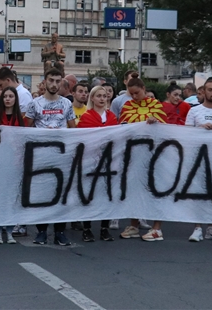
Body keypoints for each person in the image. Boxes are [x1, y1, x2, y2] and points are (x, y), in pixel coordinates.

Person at [24, 69, 75, 246]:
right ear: (45, 81)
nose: (54, 84)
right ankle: (42, 231)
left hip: (61, 155)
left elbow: (73, 129)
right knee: (42, 194)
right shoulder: (34, 104)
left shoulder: (67, 104)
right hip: (41, 156)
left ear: (62, 82)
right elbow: (25, 130)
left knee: (61, 193)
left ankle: (60, 232)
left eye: (57, 81)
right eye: (51, 80)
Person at [117, 77, 167, 241]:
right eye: (131, 94)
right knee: (134, 190)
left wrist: (156, 123)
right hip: (134, 156)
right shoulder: (127, 106)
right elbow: (123, 128)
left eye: (136, 93)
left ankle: (157, 228)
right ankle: (134, 225)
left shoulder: (156, 105)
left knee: (156, 190)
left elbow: (165, 129)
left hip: (154, 156)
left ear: (143, 89)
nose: (134, 97)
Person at [184, 77, 212, 242]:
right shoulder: (194, 111)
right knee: (198, 193)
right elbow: (186, 135)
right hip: (199, 158)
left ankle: (211, 227)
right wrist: (201, 129)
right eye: (210, 90)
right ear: (203, 92)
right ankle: (197, 227)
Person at [77, 85, 118, 242]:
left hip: (108, 161)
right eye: (99, 96)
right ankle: (87, 229)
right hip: (90, 161)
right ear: (92, 98)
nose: (102, 99)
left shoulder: (112, 117)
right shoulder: (86, 117)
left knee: (106, 195)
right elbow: (82, 138)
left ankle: (104, 229)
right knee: (89, 194)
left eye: (104, 96)